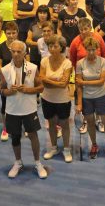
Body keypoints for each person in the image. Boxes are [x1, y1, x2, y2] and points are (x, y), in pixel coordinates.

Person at [0, 40, 47, 179]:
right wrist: (9, 91)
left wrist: (28, 90)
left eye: (19, 51)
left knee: (33, 135)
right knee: (15, 137)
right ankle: (18, 162)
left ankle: (38, 163)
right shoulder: (5, 70)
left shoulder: (33, 67)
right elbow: (1, 90)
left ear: (25, 53)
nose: (15, 54)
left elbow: (41, 88)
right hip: (12, 110)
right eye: (13, 51)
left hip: (29, 109)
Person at [75, 36, 105, 159]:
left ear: (97, 49)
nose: (91, 52)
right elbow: (78, 86)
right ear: (85, 49)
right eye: (89, 49)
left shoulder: (103, 61)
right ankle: (94, 145)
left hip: (101, 96)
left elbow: (101, 81)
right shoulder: (80, 63)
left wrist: (84, 82)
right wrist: (79, 103)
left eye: (93, 49)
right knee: (90, 122)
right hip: (86, 99)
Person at [40, 35, 73, 163]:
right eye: (50, 46)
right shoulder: (44, 61)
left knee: (64, 125)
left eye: (55, 46)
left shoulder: (67, 63)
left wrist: (48, 80)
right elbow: (42, 80)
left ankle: (66, 149)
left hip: (62, 100)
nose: (52, 48)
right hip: (47, 98)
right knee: (51, 124)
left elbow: (64, 84)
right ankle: (53, 148)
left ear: (61, 48)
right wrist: (56, 81)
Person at [0, 21, 30, 141]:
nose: (11, 35)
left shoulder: (23, 45)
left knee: (23, 102)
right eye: (8, 33)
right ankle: (6, 128)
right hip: (6, 79)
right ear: (5, 33)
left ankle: (26, 126)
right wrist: (4, 77)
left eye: (13, 33)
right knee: (6, 103)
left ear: (17, 33)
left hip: (21, 78)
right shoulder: (0, 47)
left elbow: (28, 63)